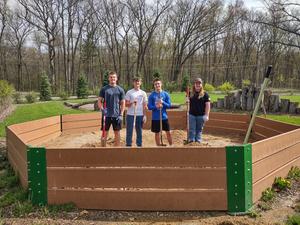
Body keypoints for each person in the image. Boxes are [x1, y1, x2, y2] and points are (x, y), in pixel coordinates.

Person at [98, 71, 125, 146]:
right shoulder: (104, 89)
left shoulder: (120, 90)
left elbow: (123, 103)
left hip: (116, 116)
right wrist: (102, 109)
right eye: (111, 77)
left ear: (116, 78)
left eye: (114, 77)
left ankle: (117, 150)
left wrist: (121, 114)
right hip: (106, 116)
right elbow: (99, 101)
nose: (112, 78)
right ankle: (103, 149)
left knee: (117, 133)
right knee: (105, 132)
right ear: (108, 78)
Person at [147, 78, 172, 146]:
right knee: (157, 133)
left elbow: (169, 105)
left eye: (158, 83)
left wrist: (163, 102)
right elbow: (149, 107)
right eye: (155, 84)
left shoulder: (165, 94)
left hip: (164, 117)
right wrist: (156, 107)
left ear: (161, 84)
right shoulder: (152, 96)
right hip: (155, 118)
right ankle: (158, 147)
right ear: (154, 85)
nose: (157, 85)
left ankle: (171, 146)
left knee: (168, 132)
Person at [186, 77, 210, 143]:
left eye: (199, 84)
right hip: (192, 115)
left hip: (201, 115)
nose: (198, 85)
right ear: (194, 84)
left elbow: (208, 105)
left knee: (199, 130)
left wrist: (206, 115)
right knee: (192, 129)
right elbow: (187, 102)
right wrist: (186, 100)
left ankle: (198, 141)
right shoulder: (190, 93)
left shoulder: (205, 94)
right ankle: (191, 141)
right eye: (196, 83)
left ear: (201, 85)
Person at [125, 77, 148, 147]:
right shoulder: (129, 92)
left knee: (139, 131)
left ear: (140, 83)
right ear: (133, 83)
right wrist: (132, 103)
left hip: (140, 115)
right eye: (135, 82)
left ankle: (139, 144)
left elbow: (145, 105)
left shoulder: (143, 93)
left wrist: (145, 115)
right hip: (130, 115)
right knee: (129, 130)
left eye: (138, 82)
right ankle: (128, 144)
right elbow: (126, 104)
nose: (137, 83)